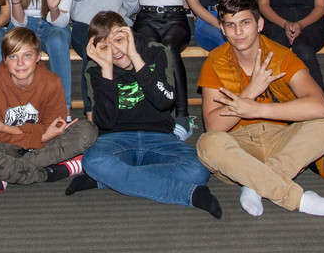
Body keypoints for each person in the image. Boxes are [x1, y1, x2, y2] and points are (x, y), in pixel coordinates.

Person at [196, 0, 324, 222]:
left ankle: (256, 183)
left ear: (259, 24)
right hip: (238, 147)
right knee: (207, 144)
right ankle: (302, 200)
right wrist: (250, 92)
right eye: (230, 25)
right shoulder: (214, 62)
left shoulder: (280, 56)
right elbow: (213, 126)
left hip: (281, 140)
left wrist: (258, 110)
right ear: (223, 29)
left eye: (245, 23)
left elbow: (319, 106)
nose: (238, 32)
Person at [64, 11, 221, 219]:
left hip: (159, 137)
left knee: (199, 169)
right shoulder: (95, 67)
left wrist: (136, 58)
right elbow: (106, 122)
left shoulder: (155, 51)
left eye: (119, 40)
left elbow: (164, 101)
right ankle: (187, 195)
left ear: (129, 34)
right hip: (116, 139)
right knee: (92, 160)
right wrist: (107, 70)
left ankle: (109, 179)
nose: (115, 51)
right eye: (105, 46)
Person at [0, 27, 98, 193]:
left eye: (27, 55)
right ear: (5, 59)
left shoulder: (51, 82)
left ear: (38, 56)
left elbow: (54, 127)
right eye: (13, 56)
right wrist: (41, 136)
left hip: (46, 144)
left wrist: (7, 128)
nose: (20, 63)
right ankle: (51, 172)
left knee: (88, 130)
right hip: (13, 147)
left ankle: (11, 171)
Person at [133, 0, 194, 140]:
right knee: (149, 49)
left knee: (169, 45)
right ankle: (154, 114)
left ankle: (183, 117)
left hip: (175, 18)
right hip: (146, 17)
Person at [4, 0, 75, 114]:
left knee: (58, 39)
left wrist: (53, 8)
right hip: (25, 23)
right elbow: (18, 23)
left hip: (53, 24)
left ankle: (64, 109)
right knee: (16, 42)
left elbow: (63, 22)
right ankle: (14, 108)